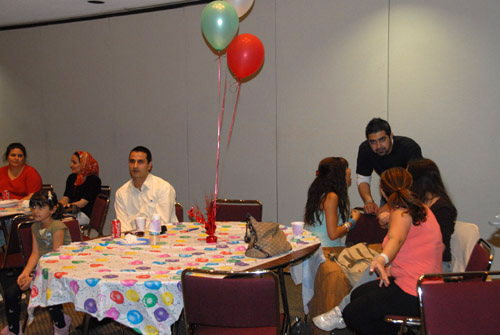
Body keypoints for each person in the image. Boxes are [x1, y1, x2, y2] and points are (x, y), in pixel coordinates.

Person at [336, 168, 442, 335]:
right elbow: (403, 236)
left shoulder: (401, 213)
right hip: (426, 286)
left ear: (384, 193)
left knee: (351, 315)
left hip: (415, 292)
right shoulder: (420, 209)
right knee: (358, 294)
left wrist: (382, 259)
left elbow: (396, 239)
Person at [0, 189, 72, 335]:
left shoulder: (57, 227)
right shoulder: (35, 226)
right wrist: (25, 273)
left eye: (41, 207)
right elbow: (35, 253)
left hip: (57, 269)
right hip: (42, 269)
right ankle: (14, 329)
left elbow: (55, 257)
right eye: (33, 207)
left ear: (52, 209)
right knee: (11, 292)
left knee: (49, 293)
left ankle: (61, 324)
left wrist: (34, 279)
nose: (36, 211)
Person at [356, 118, 422, 214]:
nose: (378, 146)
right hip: (387, 196)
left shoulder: (409, 147)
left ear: (391, 135)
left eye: (382, 139)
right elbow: (363, 178)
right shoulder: (365, 149)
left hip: (412, 195)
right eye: (373, 142)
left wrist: (390, 205)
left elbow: (414, 182)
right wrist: (369, 201)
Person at [407, 158, 457, 272]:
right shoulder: (420, 204)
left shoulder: (443, 209)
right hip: (420, 260)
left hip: (436, 264)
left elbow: (440, 246)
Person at [114, 146, 178, 232]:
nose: (135, 166)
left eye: (140, 162)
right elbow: (123, 227)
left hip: (163, 239)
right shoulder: (121, 193)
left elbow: (161, 224)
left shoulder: (163, 188)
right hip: (131, 241)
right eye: (132, 161)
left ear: (149, 166)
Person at [304, 157, 360, 247]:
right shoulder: (331, 197)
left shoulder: (320, 192)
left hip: (317, 245)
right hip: (325, 248)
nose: (350, 177)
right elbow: (333, 234)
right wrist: (353, 221)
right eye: (348, 173)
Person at [59, 151, 101, 225]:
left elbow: (82, 203)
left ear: (83, 164)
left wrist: (66, 207)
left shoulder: (93, 180)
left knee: (60, 224)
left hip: (85, 214)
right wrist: (57, 207)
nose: (70, 165)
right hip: (71, 211)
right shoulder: (71, 178)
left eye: (74, 163)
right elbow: (65, 198)